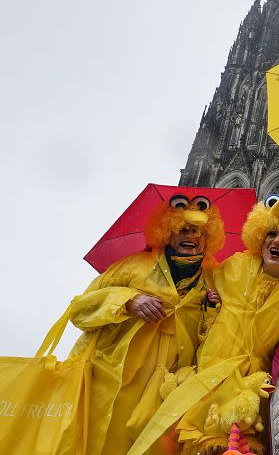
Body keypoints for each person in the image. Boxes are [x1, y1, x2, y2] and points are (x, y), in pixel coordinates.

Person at [128, 191, 279, 455]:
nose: (277, 241)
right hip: (211, 375)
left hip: (250, 387)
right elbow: (194, 288)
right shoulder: (233, 265)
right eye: (271, 234)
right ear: (260, 237)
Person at [67, 194, 224, 455]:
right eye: (183, 229)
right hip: (113, 384)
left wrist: (211, 311)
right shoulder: (133, 266)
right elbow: (80, 310)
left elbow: (205, 344)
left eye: (198, 232)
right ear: (167, 233)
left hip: (165, 395)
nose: (191, 236)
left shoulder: (210, 282)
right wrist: (129, 300)